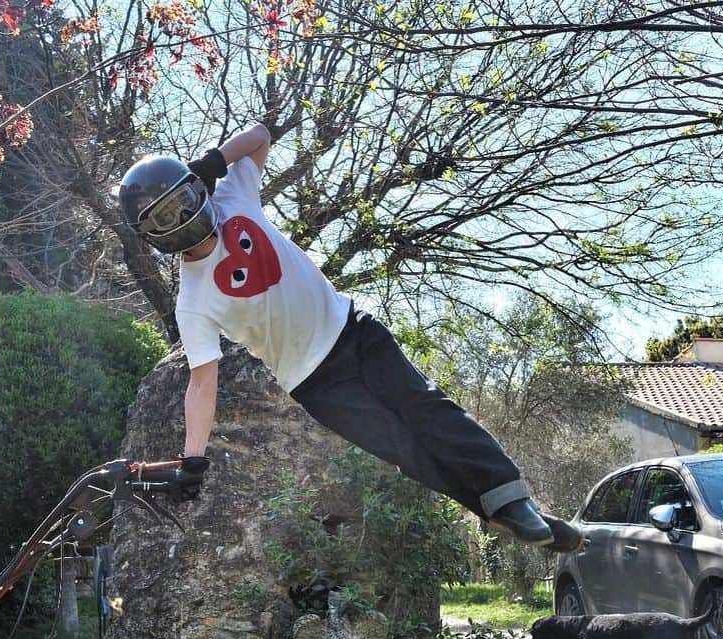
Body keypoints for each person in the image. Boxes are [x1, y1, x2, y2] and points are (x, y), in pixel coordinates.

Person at [118, 123, 581, 551]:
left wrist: (216, 159)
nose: (180, 217)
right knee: (406, 451)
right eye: (163, 218)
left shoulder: (236, 195)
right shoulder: (193, 300)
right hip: (315, 382)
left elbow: (259, 136)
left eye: (182, 199)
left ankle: (513, 500)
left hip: (353, 331)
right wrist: (192, 459)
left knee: (427, 406)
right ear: (151, 236)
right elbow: (202, 381)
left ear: (197, 186)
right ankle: (503, 510)